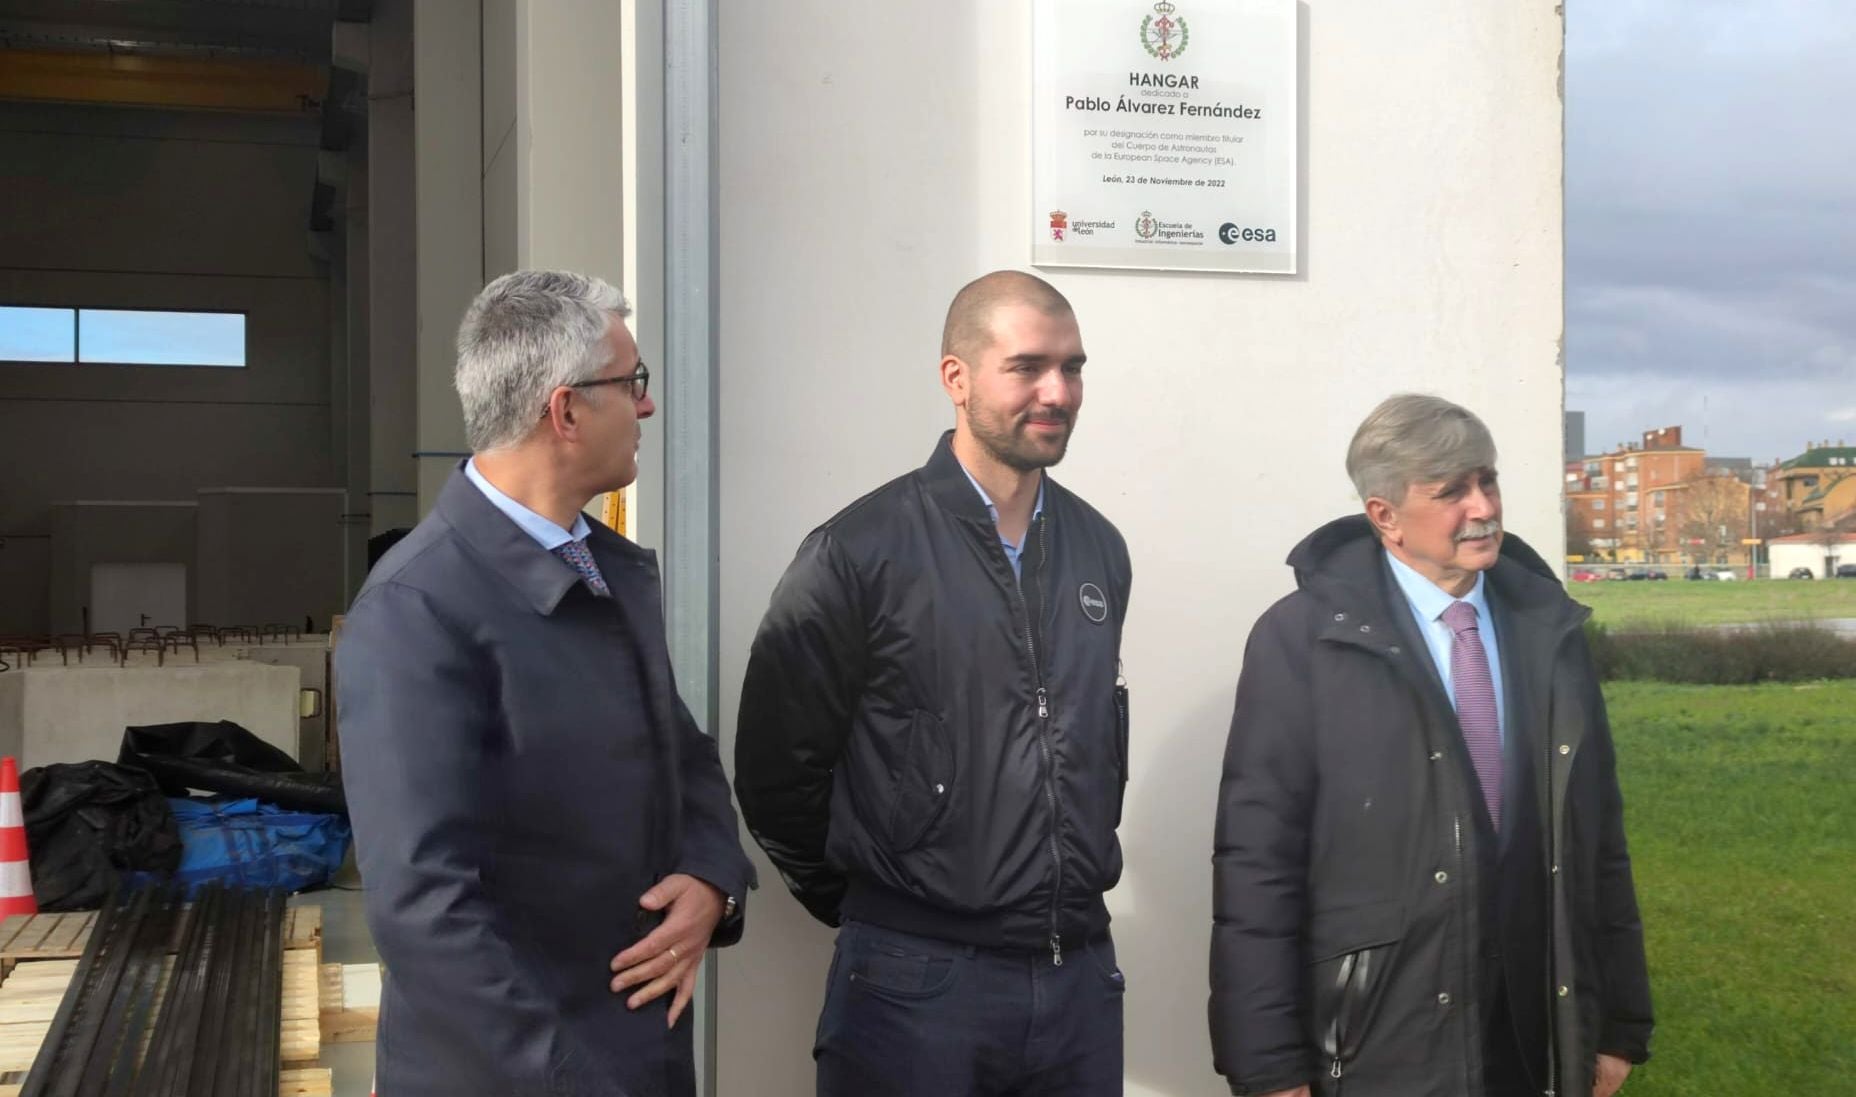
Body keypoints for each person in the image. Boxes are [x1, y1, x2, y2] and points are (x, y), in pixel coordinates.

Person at [337, 270, 755, 1097]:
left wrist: (714, 876)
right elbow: (426, 909)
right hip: (516, 1071)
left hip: (634, 1044)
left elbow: (683, 751)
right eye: (631, 383)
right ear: (565, 412)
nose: (647, 407)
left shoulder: (601, 569)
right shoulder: (416, 609)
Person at [735, 270, 1133, 1095]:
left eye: (1074, 366)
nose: (1058, 390)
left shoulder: (1100, 549)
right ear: (956, 377)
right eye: (1027, 366)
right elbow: (777, 775)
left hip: (1078, 982)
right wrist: (891, 911)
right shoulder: (860, 551)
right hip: (915, 990)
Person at [1209, 394, 1653, 1097]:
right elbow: (1257, 863)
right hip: (1381, 1043)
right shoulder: (1302, 641)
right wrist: (1266, 1063)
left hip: (1532, 1037)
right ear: (1385, 515)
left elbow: (1599, 841)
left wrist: (1621, 1022)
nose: (1482, 507)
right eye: (1451, 491)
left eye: (1488, 480)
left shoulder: (1550, 634)